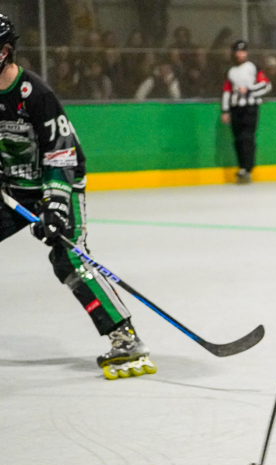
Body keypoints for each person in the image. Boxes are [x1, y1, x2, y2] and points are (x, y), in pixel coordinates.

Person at [0, 15, 153, 380]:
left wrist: (53, 206)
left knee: (68, 257)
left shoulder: (34, 94)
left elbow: (62, 153)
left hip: (60, 183)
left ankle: (125, 337)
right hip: (12, 189)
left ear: (3, 52)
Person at [220, 40, 271, 184]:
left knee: (247, 137)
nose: (240, 54)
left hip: (250, 107)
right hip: (236, 107)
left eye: (243, 52)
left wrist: (249, 90)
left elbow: (266, 85)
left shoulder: (253, 67)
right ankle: (242, 167)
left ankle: (248, 168)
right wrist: (225, 110)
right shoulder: (231, 71)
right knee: (237, 139)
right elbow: (227, 91)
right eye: (238, 52)